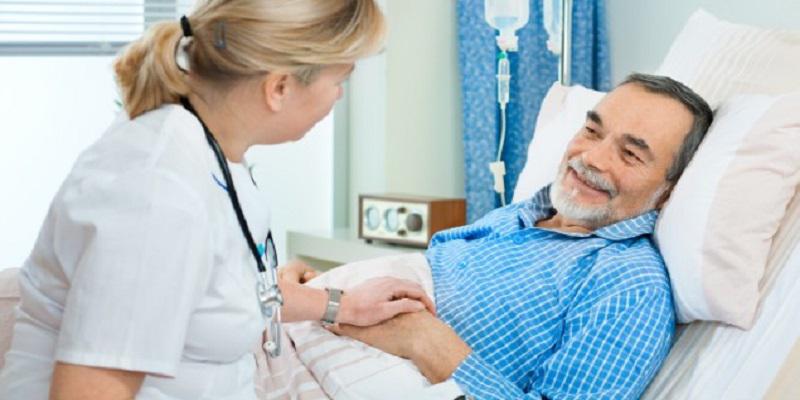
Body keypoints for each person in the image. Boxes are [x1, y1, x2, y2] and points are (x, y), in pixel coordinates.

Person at [0, 1, 435, 399]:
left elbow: (222, 289)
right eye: (340, 80)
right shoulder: (156, 194)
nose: (339, 96)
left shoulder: (208, 150)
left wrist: (340, 303)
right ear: (279, 87)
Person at [316, 73, 714, 399]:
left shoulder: (628, 285)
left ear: (668, 190)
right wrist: (317, 290)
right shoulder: (520, 215)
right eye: (592, 131)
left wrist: (428, 343)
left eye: (630, 155)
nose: (592, 157)